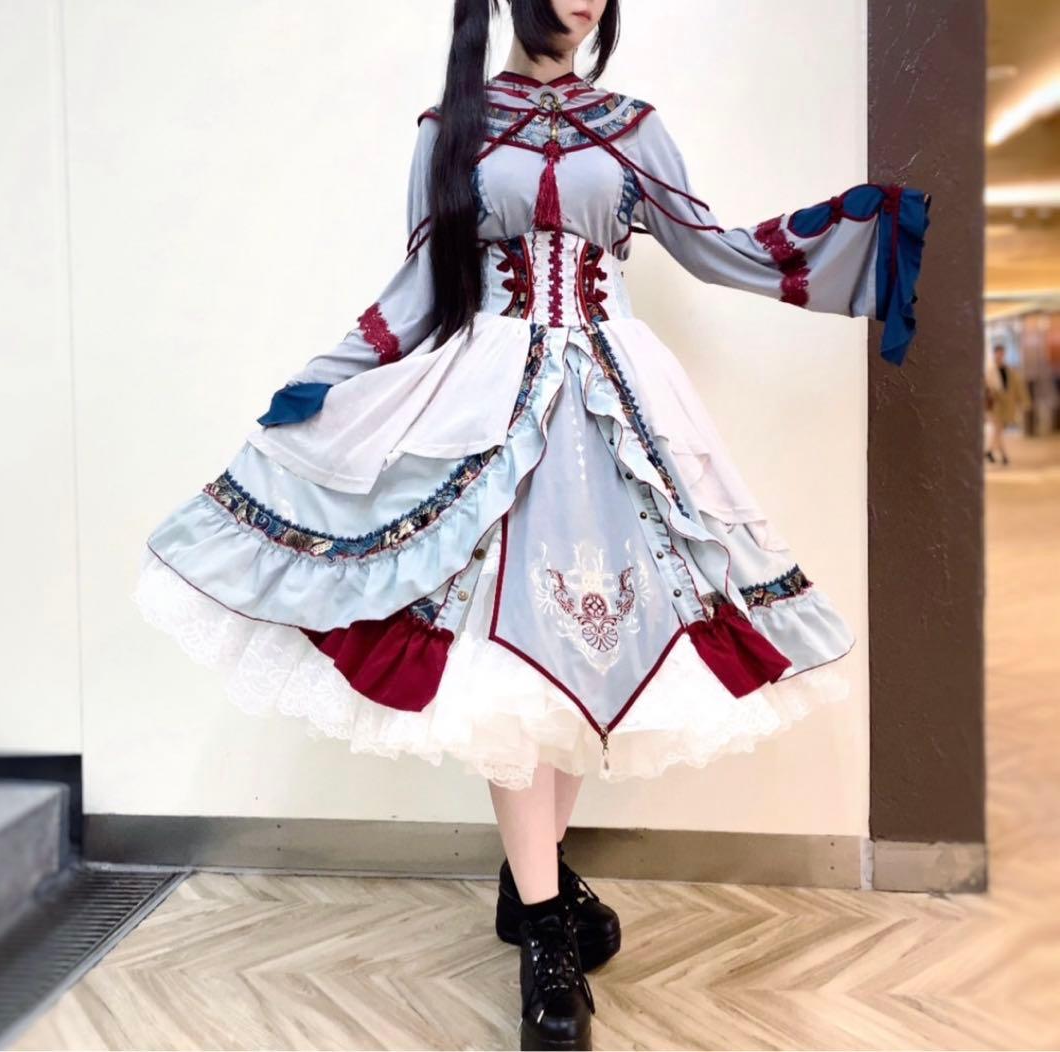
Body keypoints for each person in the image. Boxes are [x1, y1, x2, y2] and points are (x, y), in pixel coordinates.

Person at [132, 1, 932, 1047]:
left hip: (615, 407)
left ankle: (530, 890)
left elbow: (712, 249)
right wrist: (325, 375)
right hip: (492, 406)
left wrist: (857, 237)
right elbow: (420, 288)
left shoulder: (633, 124)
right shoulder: (450, 128)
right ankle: (545, 933)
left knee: (590, 641)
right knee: (508, 658)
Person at [985, 341, 1029, 466]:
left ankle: (990, 452)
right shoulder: (990, 371)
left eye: (1002, 353)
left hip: (1005, 405)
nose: (1000, 356)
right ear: (994, 354)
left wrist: (1023, 401)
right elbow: (988, 387)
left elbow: (1016, 387)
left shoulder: (1008, 370)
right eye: (998, 353)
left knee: (998, 431)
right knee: (998, 429)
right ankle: (1003, 455)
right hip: (995, 405)